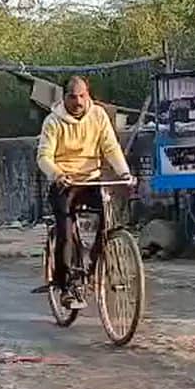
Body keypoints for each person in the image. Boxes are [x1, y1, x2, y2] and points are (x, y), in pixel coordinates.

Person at [36, 75, 133, 304]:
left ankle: (96, 263)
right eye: (73, 96)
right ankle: (66, 286)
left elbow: (110, 147)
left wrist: (125, 173)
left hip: (91, 179)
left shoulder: (98, 115)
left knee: (109, 220)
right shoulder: (53, 122)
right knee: (66, 233)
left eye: (82, 96)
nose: (78, 101)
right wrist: (57, 174)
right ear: (64, 97)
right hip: (64, 183)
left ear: (88, 95)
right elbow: (43, 157)